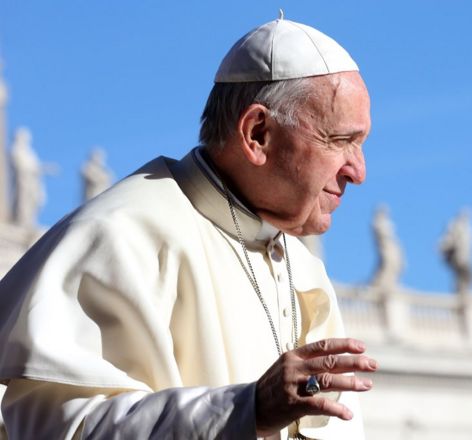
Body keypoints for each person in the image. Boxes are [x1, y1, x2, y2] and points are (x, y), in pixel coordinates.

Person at [0, 15, 377, 439]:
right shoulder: (121, 236)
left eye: (360, 144)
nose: (358, 171)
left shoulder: (304, 270)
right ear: (257, 133)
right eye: (339, 141)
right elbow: (53, 430)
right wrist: (245, 410)